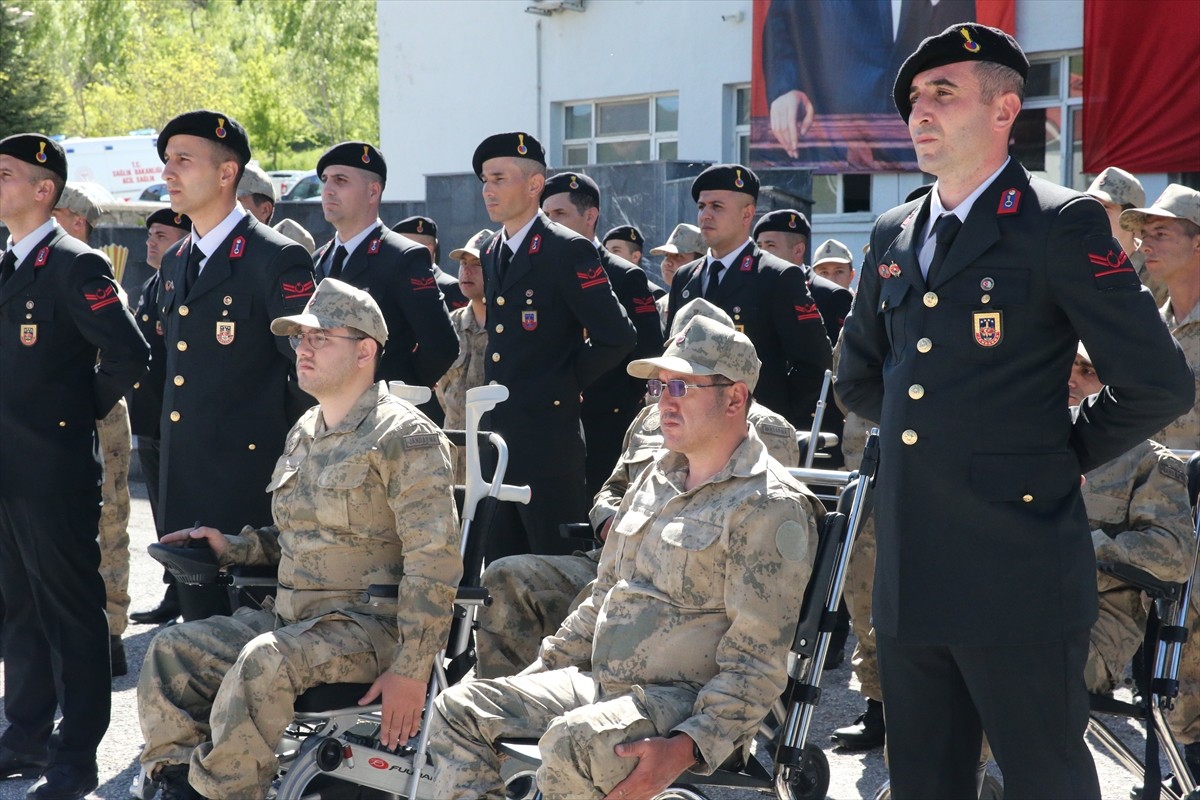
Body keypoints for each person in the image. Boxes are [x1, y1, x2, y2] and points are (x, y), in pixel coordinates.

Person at [835, 23, 1194, 799]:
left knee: (1043, 780)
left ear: (1004, 111)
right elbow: (860, 378)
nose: (920, 111)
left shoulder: (1060, 222)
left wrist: (1053, 456)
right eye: (914, 98)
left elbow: (1158, 384)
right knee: (923, 782)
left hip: (1016, 569)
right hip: (911, 567)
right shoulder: (894, 230)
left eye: (944, 93)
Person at [429, 315, 822, 799]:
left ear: (735, 398)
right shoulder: (656, 478)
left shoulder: (768, 506)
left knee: (573, 741)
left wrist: (686, 746)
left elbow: (757, 663)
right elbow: (603, 596)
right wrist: (538, 675)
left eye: (681, 386)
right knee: (459, 710)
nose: (664, 403)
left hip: (681, 705)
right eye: (659, 387)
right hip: (603, 687)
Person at [136, 278, 461, 800]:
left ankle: (219, 794)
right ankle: (175, 781)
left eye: (320, 338)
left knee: (263, 661)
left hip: (368, 630)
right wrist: (232, 547)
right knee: (174, 649)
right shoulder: (307, 429)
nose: (303, 349)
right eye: (300, 338)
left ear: (365, 351)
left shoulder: (405, 436)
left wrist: (412, 669)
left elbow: (435, 562)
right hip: (294, 621)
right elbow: (298, 533)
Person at [475, 298, 801, 679]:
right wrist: (610, 521)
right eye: (665, 380)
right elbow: (611, 490)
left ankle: (577, 693)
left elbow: (762, 517)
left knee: (617, 603)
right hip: (613, 559)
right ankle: (508, 693)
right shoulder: (649, 419)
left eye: (684, 381)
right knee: (505, 577)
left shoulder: (764, 428)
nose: (667, 398)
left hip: (688, 578)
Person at [0, 133, 149, 799]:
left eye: (6, 174)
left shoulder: (75, 264)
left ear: (43, 190)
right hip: (8, 469)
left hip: (53, 469)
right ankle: (25, 735)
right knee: (19, 609)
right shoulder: (8, 262)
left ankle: (76, 753)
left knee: (72, 612)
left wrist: (72, 410)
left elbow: (128, 354)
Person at [155, 109, 318, 621]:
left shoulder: (276, 257)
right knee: (197, 637)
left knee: (250, 636)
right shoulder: (177, 259)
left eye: (183, 160)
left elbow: (308, 372)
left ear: (227, 173)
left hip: (247, 485)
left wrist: (284, 459)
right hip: (185, 481)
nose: (168, 172)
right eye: (167, 160)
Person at [471, 131, 635, 560]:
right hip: (498, 436)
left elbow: (617, 335)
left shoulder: (567, 249)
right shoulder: (491, 250)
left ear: (534, 185)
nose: (488, 189)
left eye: (499, 178)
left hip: (548, 439)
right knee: (499, 566)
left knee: (552, 567)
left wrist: (562, 382)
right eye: (485, 180)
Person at [667, 164, 833, 430]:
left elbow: (815, 361)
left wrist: (778, 418)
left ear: (747, 213)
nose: (705, 215)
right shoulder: (685, 278)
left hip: (752, 429)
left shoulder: (777, 275)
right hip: (692, 426)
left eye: (717, 206)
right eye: (701, 206)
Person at [54, 182, 136, 678]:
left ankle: (110, 634)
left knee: (108, 522)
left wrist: (88, 402)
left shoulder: (92, 271)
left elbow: (123, 353)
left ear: (77, 220)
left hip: (97, 415)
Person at [541, 171, 663, 496]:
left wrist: (614, 403)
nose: (551, 223)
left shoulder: (624, 276)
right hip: (551, 421)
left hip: (606, 422)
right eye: (546, 214)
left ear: (590, 216)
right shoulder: (540, 272)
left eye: (560, 213)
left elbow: (648, 353)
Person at [312, 143, 459, 395]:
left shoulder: (403, 257)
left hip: (379, 407)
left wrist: (399, 393)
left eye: (340, 180)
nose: (328, 190)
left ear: (373, 192)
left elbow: (441, 345)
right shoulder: (319, 259)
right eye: (325, 180)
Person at [129, 209, 191, 627]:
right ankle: (175, 588)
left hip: (175, 417)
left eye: (161, 235)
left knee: (181, 510)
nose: (151, 242)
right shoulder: (153, 283)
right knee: (162, 510)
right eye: (150, 235)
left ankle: (186, 590)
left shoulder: (181, 282)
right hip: (151, 417)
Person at [1119, 184, 1200, 453]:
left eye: (1160, 234)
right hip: (1155, 478)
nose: (1145, 247)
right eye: (1144, 236)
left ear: (1197, 243)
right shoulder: (1149, 327)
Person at [436, 228, 492, 483]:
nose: (466, 271)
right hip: (453, 452)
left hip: (494, 455)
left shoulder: (510, 328)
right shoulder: (450, 325)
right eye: (463, 263)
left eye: (477, 264)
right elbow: (442, 391)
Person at [752, 208, 853, 350]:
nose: (762, 253)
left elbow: (838, 356)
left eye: (770, 245)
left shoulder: (831, 296)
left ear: (798, 250)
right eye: (759, 246)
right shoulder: (750, 287)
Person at [1084, 166, 1167, 305]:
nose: (1093, 216)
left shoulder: (1157, 272)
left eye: (1105, 209)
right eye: (1090, 206)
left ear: (1130, 219)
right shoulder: (1079, 264)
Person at [392, 214, 469, 311]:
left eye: (406, 248)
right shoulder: (397, 284)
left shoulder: (451, 288)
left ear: (428, 250)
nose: (399, 253)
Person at [649, 222, 704, 327]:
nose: (668, 262)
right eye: (666, 255)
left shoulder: (709, 302)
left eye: (678, 256)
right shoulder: (659, 306)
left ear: (699, 263)